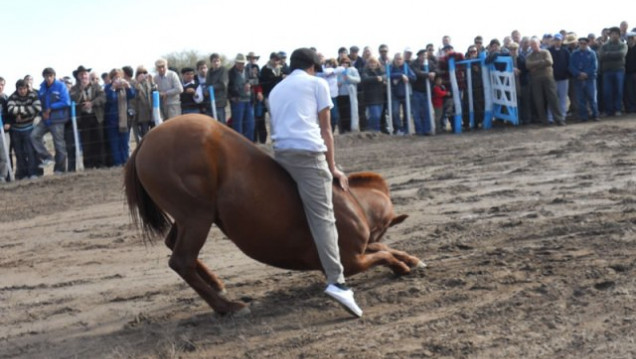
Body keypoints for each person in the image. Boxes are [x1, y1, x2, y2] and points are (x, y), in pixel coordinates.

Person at [268, 47, 362, 318]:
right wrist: (332, 167)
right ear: (312, 65)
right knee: (323, 217)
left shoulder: (276, 89)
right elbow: (326, 130)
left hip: (281, 154)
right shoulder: (317, 83)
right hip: (308, 155)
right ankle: (337, 281)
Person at [31, 67, 70, 174]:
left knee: (59, 144)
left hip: (58, 119)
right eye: (46, 76)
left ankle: (60, 169)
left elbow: (66, 102)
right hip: (45, 119)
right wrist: (42, 112)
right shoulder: (42, 88)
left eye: (50, 76)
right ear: (43, 77)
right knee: (34, 135)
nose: (48, 78)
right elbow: (39, 103)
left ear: (54, 76)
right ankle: (47, 157)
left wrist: (51, 108)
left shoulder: (61, 86)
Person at [70, 65, 107, 169]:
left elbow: (103, 97)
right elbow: (73, 100)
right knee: (87, 142)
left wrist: (92, 103)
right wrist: (81, 91)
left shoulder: (96, 86)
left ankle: (101, 164)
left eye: (85, 73)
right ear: (77, 76)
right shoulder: (74, 89)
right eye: (81, 74)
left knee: (99, 140)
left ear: (88, 75)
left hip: (96, 117)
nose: (83, 76)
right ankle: (88, 165)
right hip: (83, 118)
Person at [525, 37, 565, 126]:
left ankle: (559, 119)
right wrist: (541, 63)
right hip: (535, 80)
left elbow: (549, 62)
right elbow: (528, 65)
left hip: (548, 78)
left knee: (553, 98)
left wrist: (535, 65)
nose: (533, 46)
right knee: (539, 100)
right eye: (532, 44)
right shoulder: (529, 56)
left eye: (535, 44)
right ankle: (544, 121)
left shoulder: (545, 52)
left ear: (539, 44)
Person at [6, 79, 41, 179]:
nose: (22, 91)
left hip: (29, 128)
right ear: (17, 89)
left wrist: (20, 112)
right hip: (16, 130)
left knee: (31, 152)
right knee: (19, 154)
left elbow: (37, 107)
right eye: (20, 89)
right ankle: (24, 174)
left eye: (24, 88)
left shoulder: (33, 95)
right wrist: (26, 110)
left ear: (27, 88)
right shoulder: (12, 97)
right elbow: (11, 109)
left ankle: (33, 173)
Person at [104, 68, 135, 166]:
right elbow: (111, 99)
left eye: (119, 77)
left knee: (124, 142)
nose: (118, 79)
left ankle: (126, 161)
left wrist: (128, 86)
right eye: (115, 77)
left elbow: (132, 95)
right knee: (115, 143)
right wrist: (113, 87)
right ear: (111, 78)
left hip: (124, 120)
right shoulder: (108, 88)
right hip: (112, 120)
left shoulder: (125, 88)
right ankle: (117, 163)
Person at [599, 26, 628, 117]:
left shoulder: (623, 45)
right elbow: (601, 56)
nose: (614, 36)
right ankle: (609, 110)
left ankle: (618, 109)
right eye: (612, 34)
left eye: (616, 34)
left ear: (619, 35)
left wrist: (608, 54)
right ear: (610, 35)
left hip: (619, 70)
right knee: (607, 91)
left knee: (618, 91)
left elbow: (622, 54)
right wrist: (614, 54)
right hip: (607, 71)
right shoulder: (604, 46)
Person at [569, 37, 599, 122]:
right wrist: (578, 73)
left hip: (590, 79)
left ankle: (595, 115)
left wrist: (586, 74)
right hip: (578, 79)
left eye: (584, 43)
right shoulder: (574, 54)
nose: (582, 45)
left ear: (587, 44)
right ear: (578, 44)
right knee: (580, 99)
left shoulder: (592, 53)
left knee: (592, 98)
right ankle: (583, 116)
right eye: (581, 43)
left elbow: (594, 66)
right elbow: (571, 66)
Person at [228, 53, 254, 140]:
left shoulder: (248, 70)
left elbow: (254, 81)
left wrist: (250, 84)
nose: (241, 65)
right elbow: (228, 87)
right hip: (237, 101)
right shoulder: (230, 73)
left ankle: (249, 144)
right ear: (235, 63)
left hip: (248, 100)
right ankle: (238, 144)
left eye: (242, 63)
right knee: (237, 125)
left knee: (250, 124)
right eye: (239, 63)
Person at [411, 49, 437, 135]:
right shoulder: (414, 63)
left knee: (427, 111)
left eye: (425, 55)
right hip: (417, 91)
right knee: (417, 112)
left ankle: (427, 130)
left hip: (427, 91)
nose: (424, 57)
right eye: (422, 55)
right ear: (419, 56)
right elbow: (416, 73)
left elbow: (436, 69)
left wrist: (433, 73)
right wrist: (428, 74)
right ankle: (419, 130)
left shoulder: (430, 63)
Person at [389, 52, 416, 135]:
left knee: (407, 112)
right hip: (394, 94)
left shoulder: (406, 66)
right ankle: (398, 129)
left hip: (406, 94)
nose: (398, 60)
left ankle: (406, 129)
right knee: (395, 112)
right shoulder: (391, 67)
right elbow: (388, 75)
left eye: (400, 59)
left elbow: (414, 77)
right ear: (394, 59)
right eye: (397, 59)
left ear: (403, 60)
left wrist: (406, 77)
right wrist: (401, 75)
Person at [548, 34, 571, 123]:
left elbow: (569, 63)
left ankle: (562, 116)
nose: (557, 42)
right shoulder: (549, 51)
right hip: (552, 78)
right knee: (552, 98)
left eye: (559, 40)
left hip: (564, 78)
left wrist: (567, 74)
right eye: (556, 40)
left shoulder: (565, 51)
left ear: (561, 41)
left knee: (563, 98)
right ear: (553, 41)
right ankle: (550, 117)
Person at [360, 57, 386, 132]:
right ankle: (375, 131)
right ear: (368, 64)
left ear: (377, 64)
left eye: (374, 63)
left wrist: (381, 78)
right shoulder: (365, 72)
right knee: (375, 116)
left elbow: (386, 76)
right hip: (371, 98)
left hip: (380, 97)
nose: (372, 64)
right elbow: (365, 79)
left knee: (378, 116)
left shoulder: (381, 71)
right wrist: (376, 78)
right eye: (371, 63)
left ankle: (372, 130)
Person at [336, 56, 360, 133]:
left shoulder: (353, 70)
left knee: (350, 112)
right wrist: (337, 83)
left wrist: (348, 77)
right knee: (342, 112)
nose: (345, 64)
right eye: (343, 62)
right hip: (340, 94)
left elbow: (358, 79)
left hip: (350, 94)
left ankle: (351, 129)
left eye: (346, 62)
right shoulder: (338, 71)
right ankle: (343, 129)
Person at [132, 66, 156, 143]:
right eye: (140, 73)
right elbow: (134, 95)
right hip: (141, 114)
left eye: (145, 72)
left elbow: (155, 92)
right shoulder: (134, 83)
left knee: (154, 133)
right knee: (144, 136)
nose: (143, 75)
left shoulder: (149, 82)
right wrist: (138, 82)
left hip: (151, 112)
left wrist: (152, 81)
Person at [206, 53, 229, 123]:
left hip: (220, 102)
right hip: (210, 102)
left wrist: (211, 88)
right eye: (214, 61)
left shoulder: (223, 70)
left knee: (221, 123)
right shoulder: (209, 72)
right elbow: (207, 83)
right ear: (211, 62)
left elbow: (223, 84)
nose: (216, 63)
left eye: (218, 61)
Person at [625, 32, 636, 113]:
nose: (630, 40)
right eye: (629, 38)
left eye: (632, 38)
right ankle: (632, 108)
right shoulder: (625, 48)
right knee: (630, 92)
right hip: (628, 73)